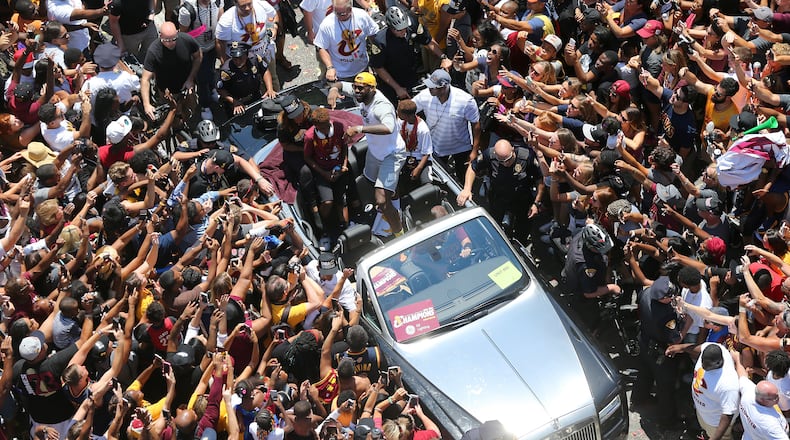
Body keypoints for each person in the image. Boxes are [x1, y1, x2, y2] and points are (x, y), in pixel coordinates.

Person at [328, 72, 406, 237]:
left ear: (372, 88)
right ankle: (395, 206)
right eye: (355, 87)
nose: (356, 91)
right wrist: (333, 90)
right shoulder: (361, 93)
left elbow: (388, 128)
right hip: (375, 152)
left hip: (391, 155)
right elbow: (341, 85)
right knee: (372, 183)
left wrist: (359, 129)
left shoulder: (381, 106)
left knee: (382, 201)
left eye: (360, 88)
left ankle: (400, 233)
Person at [457, 139, 543, 239]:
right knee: (495, 228)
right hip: (498, 198)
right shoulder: (489, 155)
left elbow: (540, 179)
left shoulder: (526, 157)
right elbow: (473, 167)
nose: (506, 163)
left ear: (513, 150)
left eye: (509, 159)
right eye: (502, 161)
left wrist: (537, 203)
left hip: (522, 199)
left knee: (522, 230)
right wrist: (467, 189)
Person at [368, 5, 449, 103]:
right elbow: (378, 67)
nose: (404, 32)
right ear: (391, 28)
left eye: (405, 28)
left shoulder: (413, 24)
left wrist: (443, 57)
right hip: (391, 80)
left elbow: (428, 41)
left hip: (411, 73)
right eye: (399, 30)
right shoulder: (380, 41)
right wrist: (397, 88)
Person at [412, 68, 480, 182]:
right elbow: (410, 108)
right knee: (438, 178)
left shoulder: (465, 100)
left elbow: (476, 125)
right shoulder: (425, 95)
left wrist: (474, 151)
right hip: (436, 146)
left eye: (433, 86)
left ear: (443, 87)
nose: (429, 89)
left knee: (462, 177)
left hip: (460, 147)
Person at [141, 22, 202, 122]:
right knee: (172, 116)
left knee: (191, 108)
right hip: (166, 91)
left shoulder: (186, 40)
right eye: (166, 40)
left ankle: (190, 122)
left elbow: (198, 57)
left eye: (174, 39)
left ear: (177, 33)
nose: (171, 43)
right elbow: (145, 79)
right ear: (160, 36)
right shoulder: (153, 51)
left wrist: (190, 79)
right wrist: (146, 104)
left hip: (187, 86)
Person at [313, 0, 379, 82]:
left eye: (343, 13)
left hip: (362, 67)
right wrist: (330, 67)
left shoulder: (361, 16)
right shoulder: (327, 24)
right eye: (337, 13)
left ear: (350, 8)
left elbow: (373, 34)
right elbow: (321, 47)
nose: (340, 16)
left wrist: (377, 57)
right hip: (341, 73)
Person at [731, 350, 790, 440]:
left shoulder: (748, 394)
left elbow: (742, 376)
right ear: (763, 400)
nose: (778, 397)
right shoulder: (770, 424)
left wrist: (738, 360)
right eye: (775, 397)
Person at [692, 343, 740, 440]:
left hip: (715, 423)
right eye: (702, 361)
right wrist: (681, 348)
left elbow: (728, 414)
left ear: (718, 363)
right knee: (706, 430)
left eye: (707, 364)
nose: (703, 365)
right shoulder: (714, 349)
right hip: (703, 413)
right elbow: (701, 347)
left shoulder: (728, 384)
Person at [217, 42, 276, 116]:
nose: (237, 61)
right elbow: (221, 89)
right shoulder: (226, 70)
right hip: (237, 104)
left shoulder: (254, 59)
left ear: (247, 54)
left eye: (240, 58)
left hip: (255, 97)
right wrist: (234, 101)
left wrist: (269, 89)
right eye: (235, 58)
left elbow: (265, 70)